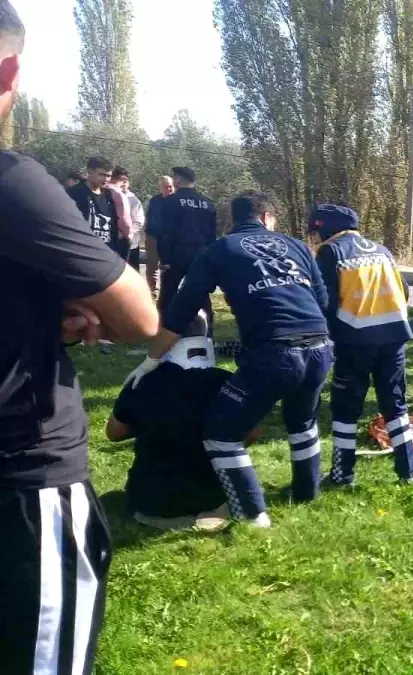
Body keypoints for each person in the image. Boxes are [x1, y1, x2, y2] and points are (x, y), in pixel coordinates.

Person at [0, 3, 160, 670]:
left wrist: (38, 303)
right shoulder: (14, 184)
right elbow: (140, 316)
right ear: (9, 71)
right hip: (22, 482)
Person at [128, 191, 331, 528]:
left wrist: (151, 360)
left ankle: (252, 515)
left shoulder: (219, 250)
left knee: (222, 431)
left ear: (233, 221)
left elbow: (181, 310)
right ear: (267, 218)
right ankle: (306, 494)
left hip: (274, 354)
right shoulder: (296, 246)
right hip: (320, 347)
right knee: (303, 422)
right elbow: (322, 300)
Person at [308, 202, 413, 487]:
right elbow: (403, 290)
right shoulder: (381, 250)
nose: (313, 239)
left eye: (314, 232)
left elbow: (325, 301)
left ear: (325, 230)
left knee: (346, 408)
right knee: (394, 404)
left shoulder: (330, 252)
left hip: (355, 339)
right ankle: (409, 471)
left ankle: (342, 474)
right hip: (393, 335)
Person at [106, 312, 229, 530]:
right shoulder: (226, 383)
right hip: (212, 497)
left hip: (150, 503)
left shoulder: (142, 383)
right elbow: (252, 433)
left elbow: (114, 433)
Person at [155, 166, 216, 324]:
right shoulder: (208, 204)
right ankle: (207, 328)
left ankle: (163, 329)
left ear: (178, 180)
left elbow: (165, 232)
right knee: (200, 292)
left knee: (168, 293)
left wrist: (165, 259)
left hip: (177, 255)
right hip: (201, 255)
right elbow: (211, 235)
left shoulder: (170, 202)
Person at [66, 156, 126, 256]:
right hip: (83, 252)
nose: (106, 179)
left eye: (108, 176)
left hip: (107, 252)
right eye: (102, 174)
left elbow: (113, 226)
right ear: (89, 171)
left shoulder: (109, 195)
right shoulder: (74, 193)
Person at [143, 175, 175, 297]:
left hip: (169, 238)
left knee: (167, 266)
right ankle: (152, 291)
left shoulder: (176, 200)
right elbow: (149, 216)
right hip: (153, 236)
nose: (169, 189)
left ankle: (166, 292)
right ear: (160, 187)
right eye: (166, 187)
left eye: (171, 186)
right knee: (152, 265)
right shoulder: (155, 200)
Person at [110, 166, 145, 267]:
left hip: (130, 244)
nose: (123, 184)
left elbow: (138, 221)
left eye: (125, 181)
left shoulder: (133, 200)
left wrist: (128, 234)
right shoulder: (107, 193)